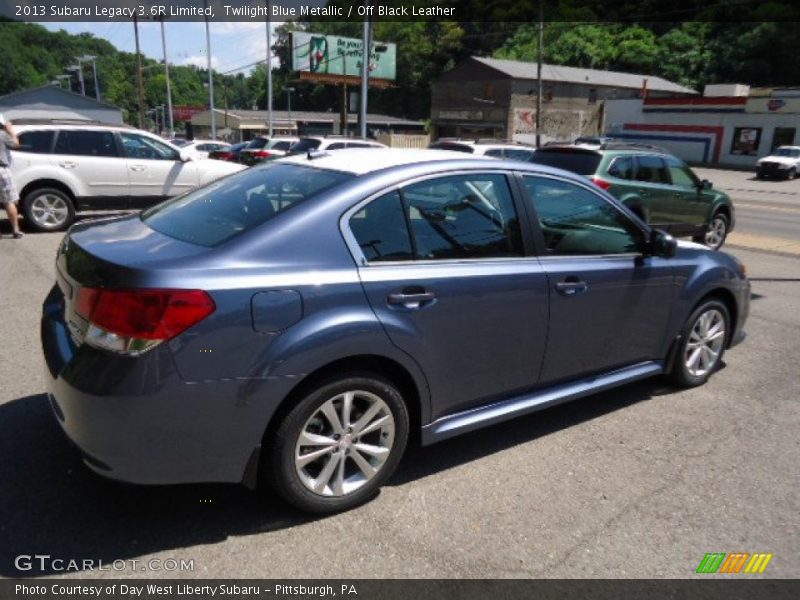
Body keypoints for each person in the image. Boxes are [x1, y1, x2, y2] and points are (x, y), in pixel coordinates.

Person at [0, 113, 23, 239]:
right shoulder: (2, 135)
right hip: (2, 170)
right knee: (8, 201)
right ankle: (15, 230)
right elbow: (16, 145)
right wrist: (11, 132)